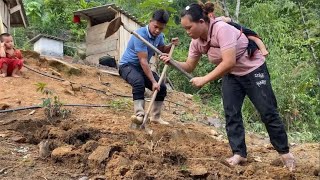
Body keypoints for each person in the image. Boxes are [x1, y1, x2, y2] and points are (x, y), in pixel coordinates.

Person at [160, 3, 295, 171]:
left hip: (253, 70)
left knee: (268, 111)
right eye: (185, 29)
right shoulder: (196, 42)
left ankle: (285, 153)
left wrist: (204, 80)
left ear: (201, 21)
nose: (187, 32)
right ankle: (239, 153)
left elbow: (229, 62)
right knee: (231, 113)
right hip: (232, 76)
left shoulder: (221, 29)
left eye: (189, 27)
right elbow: (189, 66)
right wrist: (171, 61)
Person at [119, 9, 178, 125]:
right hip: (127, 66)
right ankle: (139, 115)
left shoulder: (159, 36)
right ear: (150, 21)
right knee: (138, 82)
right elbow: (143, 61)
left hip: (141, 68)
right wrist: (152, 81)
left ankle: (155, 117)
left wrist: (171, 45)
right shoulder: (140, 35)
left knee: (162, 87)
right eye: (155, 26)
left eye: (161, 28)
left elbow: (160, 50)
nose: (157, 31)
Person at [199, 0, 269, 57]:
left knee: (253, 37)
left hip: (237, 29)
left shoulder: (218, 20)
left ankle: (263, 50)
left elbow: (228, 20)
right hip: (231, 39)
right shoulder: (211, 26)